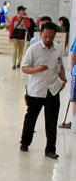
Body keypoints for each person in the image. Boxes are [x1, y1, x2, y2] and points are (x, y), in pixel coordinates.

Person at [20, 22, 66, 159]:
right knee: (31, 119)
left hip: (52, 90)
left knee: (52, 121)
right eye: (46, 36)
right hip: (36, 90)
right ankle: (25, 142)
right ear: (41, 34)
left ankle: (50, 149)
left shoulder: (58, 49)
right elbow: (24, 68)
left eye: (51, 37)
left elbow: (60, 66)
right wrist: (36, 69)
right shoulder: (33, 49)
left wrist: (63, 80)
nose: (48, 39)